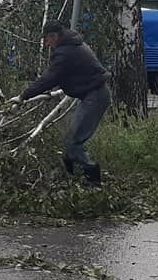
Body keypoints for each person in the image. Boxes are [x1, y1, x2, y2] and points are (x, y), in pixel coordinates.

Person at [16, 20, 111, 186]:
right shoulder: (72, 44)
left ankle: (93, 178)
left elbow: (50, 77)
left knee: (73, 141)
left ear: (55, 36)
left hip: (95, 97)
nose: (46, 44)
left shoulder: (65, 52)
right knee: (70, 139)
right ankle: (69, 176)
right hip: (94, 94)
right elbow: (65, 75)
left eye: (47, 40)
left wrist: (23, 96)